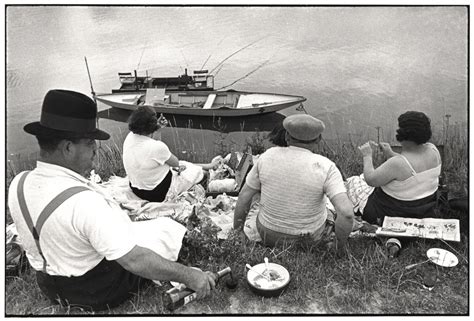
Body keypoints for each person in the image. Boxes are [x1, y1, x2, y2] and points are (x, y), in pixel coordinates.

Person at [7, 90, 216, 311]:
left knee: (138, 231)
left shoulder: (19, 183)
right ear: (68, 148)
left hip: (48, 284)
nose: (95, 150)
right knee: (164, 229)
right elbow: (134, 260)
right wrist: (190, 276)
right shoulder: (85, 201)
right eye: (90, 143)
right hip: (95, 290)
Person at [233, 114, 354, 249]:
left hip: (267, 235)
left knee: (256, 195)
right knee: (329, 211)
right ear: (318, 139)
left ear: (286, 137)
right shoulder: (326, 166)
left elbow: (244, 196)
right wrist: (339, 246)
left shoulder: (267, 156)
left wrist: (238, 232)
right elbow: (347, 214)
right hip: (308, 239)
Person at [357, 111, 441, 225]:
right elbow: (409, 167)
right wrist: (390, 153)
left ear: (402, 133)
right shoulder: (433, 151)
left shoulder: (397, 164)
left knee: (355, 182)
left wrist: (367, 156)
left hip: (392, 211)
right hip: (424, 207)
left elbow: (370, 180)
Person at [123, 106, 221, 203]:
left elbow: (154, 149)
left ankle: (209, 165)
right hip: (156, 194)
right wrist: (156, 129)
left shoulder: (130, 137)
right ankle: (209, 168)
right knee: (194, 172)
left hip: (137, 190)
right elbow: (175, 163)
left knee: (182, 164)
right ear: (151, 125)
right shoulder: (157, 147)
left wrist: (157, 128)